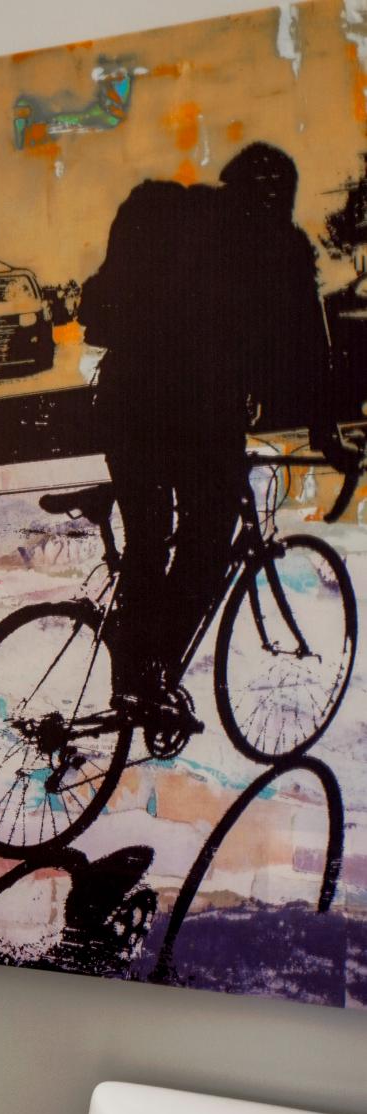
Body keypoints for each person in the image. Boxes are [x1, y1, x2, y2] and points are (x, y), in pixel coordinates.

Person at [82, 142, 353, 745]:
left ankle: (132, 674)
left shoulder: (176, 213)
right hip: (199, 418)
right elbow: (311, 351)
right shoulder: (279, 246)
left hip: (124, 404)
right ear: (281, 197)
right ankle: (146, 679)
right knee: (205, 548)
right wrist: (325, 436)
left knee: (149, 543)